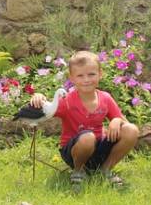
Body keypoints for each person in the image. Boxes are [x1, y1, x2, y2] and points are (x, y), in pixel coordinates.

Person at [30, 51, 139, 187]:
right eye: (80, 76)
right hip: (75, 151)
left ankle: (105, 170)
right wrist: (39, 97)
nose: (86, 80)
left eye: (91, 74)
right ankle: (78, 172)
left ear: (100, 73)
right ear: (72, 78)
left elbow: (124, 122)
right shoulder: (67, 101)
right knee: (87, 137)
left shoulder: (105, 98)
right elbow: (47, 108)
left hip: (99, 149)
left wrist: (116, 120)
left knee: (131, 130)